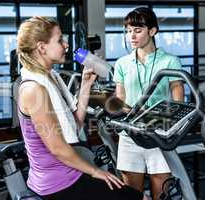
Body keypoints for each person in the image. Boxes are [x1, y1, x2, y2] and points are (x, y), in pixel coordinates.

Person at [17, 16, 146, 200]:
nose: (66, 45)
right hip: (57, 184)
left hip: (68, 174)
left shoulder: (51, 77)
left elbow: (74, 126)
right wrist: (95, 172)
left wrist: (85, 85)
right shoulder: (34, 89)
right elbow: (58, 149)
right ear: (41, 47)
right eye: (59, 39)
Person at [113, 7, 185, 200]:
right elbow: (120, 99)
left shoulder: (170, 61)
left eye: (137, 30)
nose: (131, 36)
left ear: (152, 31)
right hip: (129, 134)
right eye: (128, 31)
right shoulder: (122, 63)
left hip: (159, 134)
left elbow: (179, 101)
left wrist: (169, 125)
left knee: (161, 194)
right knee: (132, 196)